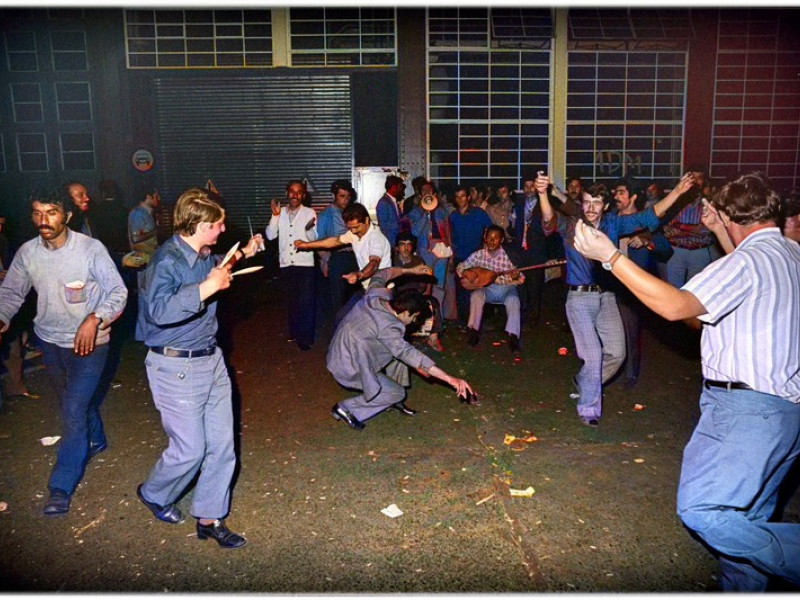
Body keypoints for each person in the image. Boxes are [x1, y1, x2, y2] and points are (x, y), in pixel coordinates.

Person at [572, 172, 800, 591]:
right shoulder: (790, 253)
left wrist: (611, 258)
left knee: (704, 511)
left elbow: (677, 307)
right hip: (786, 414)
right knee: (747, 522)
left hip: (747, 412)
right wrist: (721, 232)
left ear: (729, 215)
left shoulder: (744, 263)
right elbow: (748, 271)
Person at [136, 187, 263, 549]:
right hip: (175, 366)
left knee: (222, 444)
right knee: (190, 449)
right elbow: (158, 311)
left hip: (210, 359)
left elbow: (217, 263)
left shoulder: (202, 253)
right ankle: (154, 493)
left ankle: (210, 517)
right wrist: (207, 288)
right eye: (218, 225)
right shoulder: (166, 261)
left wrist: (244, 253)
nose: (223, 229)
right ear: (200, 225)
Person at [0, 189, 128, 515]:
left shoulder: (90, 249)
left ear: (67, 215)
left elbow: (118, 291)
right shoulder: (28, 253)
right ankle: (96, 439)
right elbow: (11, 293)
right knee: (74, 402)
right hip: (50, 342)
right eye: (37, 213)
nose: (43, 220)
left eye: (51, 212)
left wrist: (95, 318)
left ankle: (61, 487)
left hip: (91, 344)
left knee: (72, 410)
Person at [537, 172, 694, 427]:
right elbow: (548, 219)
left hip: (607, 296)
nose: (591, 208)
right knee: (593, 355)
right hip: (579, 298)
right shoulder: (572, 224)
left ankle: (583, 381)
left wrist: (676, 192)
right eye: (587, 202)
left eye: (596, 203)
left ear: (606, 205)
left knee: (617, 353)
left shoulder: (613, 224)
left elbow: (648, 217)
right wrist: (543, 194)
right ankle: (589, 409)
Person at [327, 264, 475, 430]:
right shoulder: (389, 328)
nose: (413, 322)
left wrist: (411, 270)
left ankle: (391, 401)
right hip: (348, 367)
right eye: (414, 317)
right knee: (397, 391)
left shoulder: (375, 295)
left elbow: (382, 273)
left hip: (341, 351)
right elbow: (409, 354)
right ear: (405, 312)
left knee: (400, 357)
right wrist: (450, 379)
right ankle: (346, 408)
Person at [611, 178, 673, 389]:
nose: (616, 196)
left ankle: (631, 373)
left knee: (630, 330)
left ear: (633, 197)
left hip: (632, 286)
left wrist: (648, 241)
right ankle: (609, 368)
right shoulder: (611, 219)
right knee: (609, 329)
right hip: (609, 283)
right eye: (615, 192)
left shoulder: (646, 221)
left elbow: (666, 247)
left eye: (621, 192)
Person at [294, 202, 391, 323]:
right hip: (367, 288)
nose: (353, 231)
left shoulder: (376, 238)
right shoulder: (355, 234)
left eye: (356, 227)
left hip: (381, 291)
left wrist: (359, 275)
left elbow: (374, 263)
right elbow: (334, 241)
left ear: (367, 220)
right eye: (350, 228)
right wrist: (307, 245)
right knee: (342, 317)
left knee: (365, 324)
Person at [455, 225, 523, 358]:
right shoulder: (478, 255)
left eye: (496, 238)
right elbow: (460, 266)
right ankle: (473, 332)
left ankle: (513, 337)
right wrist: (465, 271)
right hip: (487, 289)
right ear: (485, 238)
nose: (492, 241)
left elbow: (521, 279)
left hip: (506, 289)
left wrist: (515, 277)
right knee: (476, 295)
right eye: (489, 237)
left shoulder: (508, 256)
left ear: (501, 240)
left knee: (514, 300)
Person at [266, 179, 318, 350]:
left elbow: (314, 239)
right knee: (291, 301)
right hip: (286, 264)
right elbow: (270, 235)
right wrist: (275, 216)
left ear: (304, 195)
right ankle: (294, 332)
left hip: (305, 265)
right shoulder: (279, 212)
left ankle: (305, 338)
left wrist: (308, 230)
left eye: (299, 192)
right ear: (287, 193)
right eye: (292, 191)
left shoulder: (309, 212)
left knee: (306, 302)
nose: (295, 195)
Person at [662, 166, 721, 287]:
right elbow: (666, 226)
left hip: (699, 252)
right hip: (675, 251)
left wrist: (678, 229)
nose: (696, 181)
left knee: (696, 289)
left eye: (699, 178)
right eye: (693, 177)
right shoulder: (674, 201)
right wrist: (691, 229)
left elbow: (705, 230)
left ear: (704, 181)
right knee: (673, 289)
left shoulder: (709, 202)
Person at [506, 174, 552, 327]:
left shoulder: (544, 204)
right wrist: (512, 224)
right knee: (520, 284)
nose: (529, 189)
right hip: (521, 252)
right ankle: (522, 314)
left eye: (532, 186)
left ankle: (534, 316)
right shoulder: (518, 205)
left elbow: (549, 229)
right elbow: (513, 228)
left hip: (537, 251)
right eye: (526, 187)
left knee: (535, 285)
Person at [315, 180, 360, 327]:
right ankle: (339, 331)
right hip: (337, 258)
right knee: (338, 300)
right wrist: (325, 261)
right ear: (334, 196)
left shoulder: (353, 213)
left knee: (355, 298)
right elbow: (319, 241)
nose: (345, 200)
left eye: (348, 196)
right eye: (342, 196)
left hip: (355, 257)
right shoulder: (326, 215)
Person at [393, 231, 444, 354]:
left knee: (433, 302)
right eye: (402, 244)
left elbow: (427, 282)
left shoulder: (419, 260)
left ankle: (433, 338)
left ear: (413, 247)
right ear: (397, 248)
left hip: (416, 295)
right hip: (399, 297)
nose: (406, 247)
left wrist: (424, 295)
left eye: (409, 244)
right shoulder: (392, 261)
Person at [448, 185, 493, 324]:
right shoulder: (453, 215)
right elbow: (450, 237)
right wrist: (451, 258)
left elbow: (491, 229)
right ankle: (464, 321)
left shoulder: (479, 213)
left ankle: (478, 321)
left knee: (476, 289)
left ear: (468, 197)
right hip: (459, 257)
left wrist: (486, 247)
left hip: (476, 258)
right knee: (461, 290)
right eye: (457, 196)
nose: (460, 199)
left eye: (462, 196)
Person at [407, 181, 451, 288]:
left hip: (442, 248)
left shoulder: (442, 211)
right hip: (425, 250)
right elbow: (415, 232)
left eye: (429, 190)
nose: (426, 192)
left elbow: (448, 230)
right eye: (423, 190)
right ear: (420, 195)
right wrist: (425, 213)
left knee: (440, 282)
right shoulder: (415, 212)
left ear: (434, 193)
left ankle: (438, 298)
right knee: (426, 282)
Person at [128, 187, 160, 266]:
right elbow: (135, 238)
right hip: (143, 262)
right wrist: (154, 232)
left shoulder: (147, 212)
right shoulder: (138, 213)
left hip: (150, 260)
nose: (159, 199)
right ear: (148, 196)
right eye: (156, 196)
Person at [375, 174, 405, 248]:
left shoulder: (393, 201)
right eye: (400, 187)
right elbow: (383, 226)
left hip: (396, 240)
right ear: (394, 188)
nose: (401, 190)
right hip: (389, 241)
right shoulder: (383, 203)